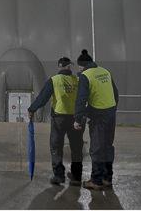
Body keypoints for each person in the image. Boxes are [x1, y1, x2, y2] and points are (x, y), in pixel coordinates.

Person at [28, 57, 84, 186]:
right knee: (76, 147)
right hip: (75, 118)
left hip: (60, 119)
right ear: (69, 67)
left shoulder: (54, 80)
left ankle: (59, 176)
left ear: (59, 66)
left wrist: (32, 109)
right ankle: (76, 176)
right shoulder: (77, 80)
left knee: (56, 147)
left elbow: (43, 98)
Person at [74, 49, 119, 190]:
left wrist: (77, 119)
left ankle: (96, 181)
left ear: (81, 66)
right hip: (111, 113)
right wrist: (112, 109)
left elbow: (81, 99)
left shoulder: (85, 76)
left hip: (99, 116)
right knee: (107, 146)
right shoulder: (105, 71)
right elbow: (115, 93)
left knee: (97, 148)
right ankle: (107, 178)